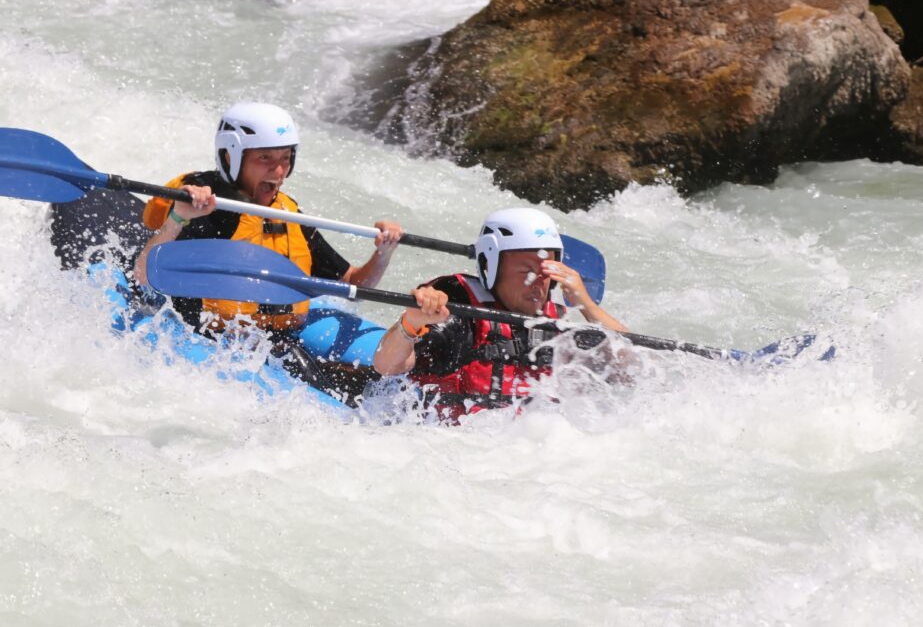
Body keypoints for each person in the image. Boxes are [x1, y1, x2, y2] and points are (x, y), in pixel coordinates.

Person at [134, 102, 402, 335]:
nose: (279, 171)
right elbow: (144, 277)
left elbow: (353, 285)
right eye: (265, 158)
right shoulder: (206, 208)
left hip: (276, 338)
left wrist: (383, 253)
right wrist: (179, 217)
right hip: (211, 339)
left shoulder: (286, 214)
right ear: (230, 157)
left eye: (285, 158)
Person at [373, 208, 626, 422]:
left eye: (548, 272)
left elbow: (630, 368)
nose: (538, 283)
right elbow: (387, 366)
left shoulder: (555, 322)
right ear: (490, 266)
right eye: (525, 271)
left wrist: (587, 305)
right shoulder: (460, 311)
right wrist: (412, 323)